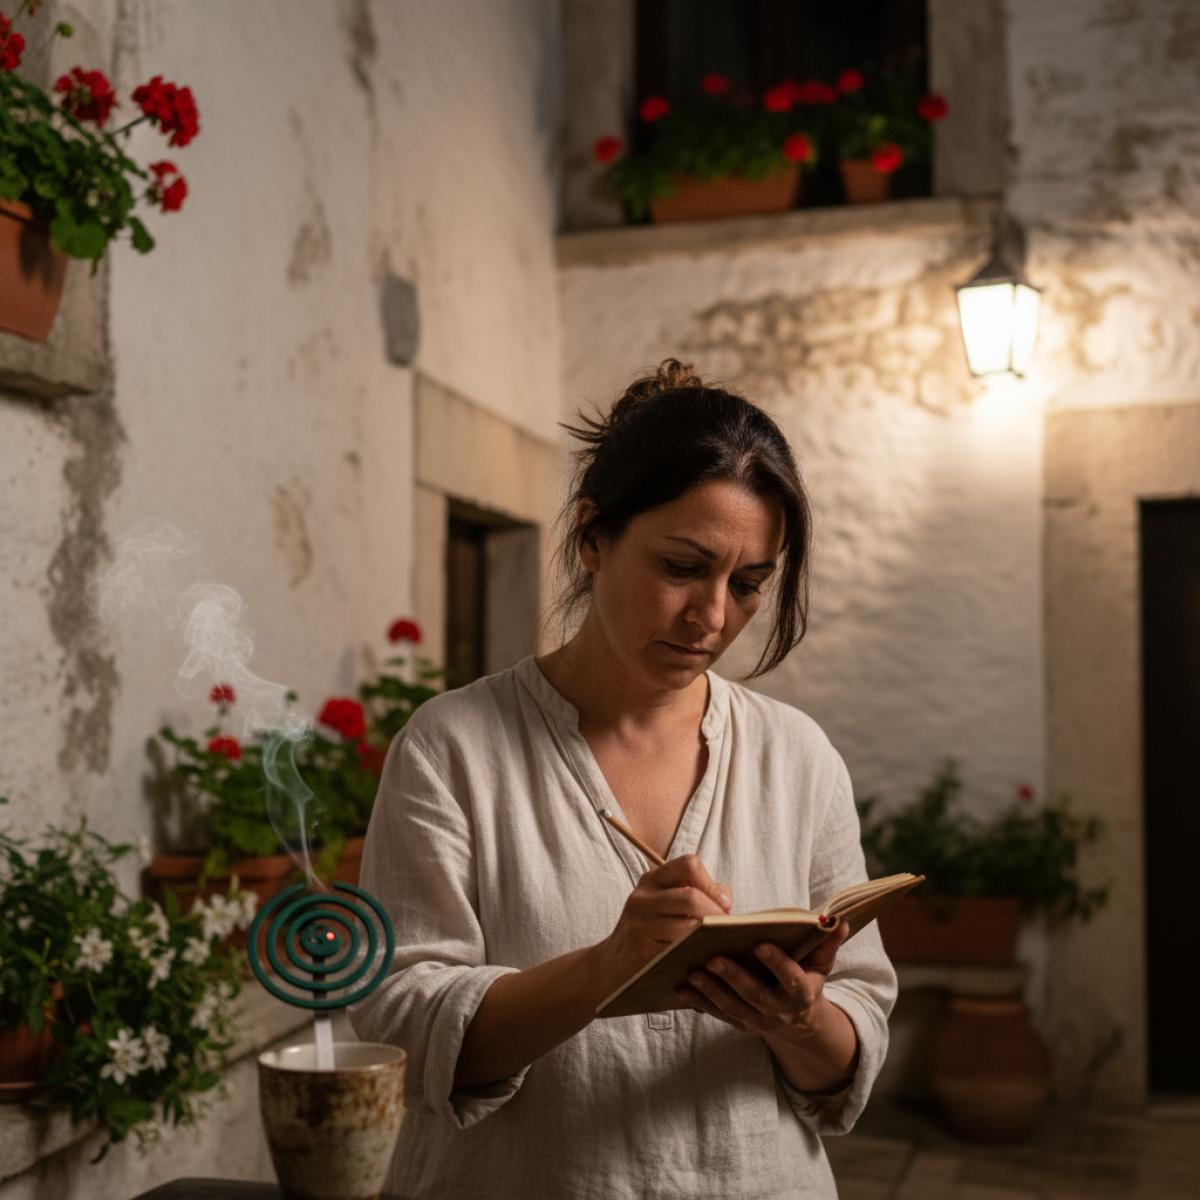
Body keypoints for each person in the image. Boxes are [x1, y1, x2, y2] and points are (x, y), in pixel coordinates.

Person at [350, 359, 897, 1199]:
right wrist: (611, 966)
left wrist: (800, 1018)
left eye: (749, 584)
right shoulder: (452, 747)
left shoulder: (797, 756)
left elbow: (852, 1039)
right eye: (682, 567)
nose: (713, 616)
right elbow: (408, 1026)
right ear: (592, 538)